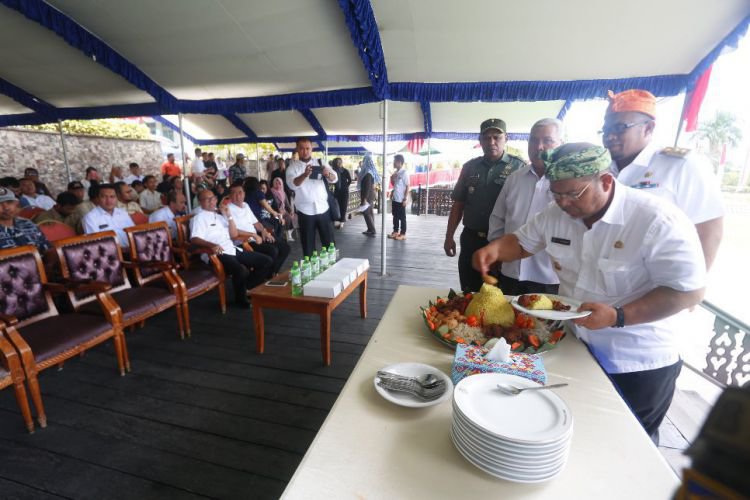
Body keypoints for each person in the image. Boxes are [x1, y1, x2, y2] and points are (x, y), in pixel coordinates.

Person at [473, 143, 706, 442]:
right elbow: (521, 243)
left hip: (636, 361)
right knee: (575, 436)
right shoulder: (556, 213)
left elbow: (688, 292)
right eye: (555, 194)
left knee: (628, 445)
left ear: (606, 181)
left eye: (573, 194)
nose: (563, 203)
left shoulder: (656, 219)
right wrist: (494, 250)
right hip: (577, 347)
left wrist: (618, 316)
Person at [602, 89, 724, 270]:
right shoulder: (602, 170)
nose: (610, 136)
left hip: (659, 278)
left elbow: (709, 230)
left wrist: (692, 283)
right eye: (606, 130)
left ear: (648, 128)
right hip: (608, 276)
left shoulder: (682, 165)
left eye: (620, 128)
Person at [444, 118, 526, 292]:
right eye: (486, 138)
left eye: (497, 137)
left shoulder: (519, 168)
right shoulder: (470, 167)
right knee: (469, 291)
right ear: (480, 140)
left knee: (499, 294)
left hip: (503, 242)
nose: (491, 142)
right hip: (471, 239)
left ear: (506, 138)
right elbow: (458, 203)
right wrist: (449, 236)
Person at [487, 118, 564, 295]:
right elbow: (498, 219)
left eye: (547, 140)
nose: (539, 147)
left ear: (561, 144)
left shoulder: (569, 183)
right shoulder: (514, 179)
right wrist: (496, 253)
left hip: (550, 277)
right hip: (511, 272)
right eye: (534, 140)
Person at [190, 189, 272, 308]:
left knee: (266, 261)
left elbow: (233, 234)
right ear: (200, 202)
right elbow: (194, 238)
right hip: (216, 253)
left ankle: (247, 288)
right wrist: (211, 245)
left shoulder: (219, 216)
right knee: (240, 270)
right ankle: (240, 299)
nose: (211, 201)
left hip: (232, 249)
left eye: (213, 198)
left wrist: (229, 216)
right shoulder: (198, 218)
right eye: (207, 199)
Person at [286, 137, 338, 257]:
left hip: (323, 208)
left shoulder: (320, 162)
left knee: (329, 244)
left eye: (307, 148)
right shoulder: (292, 167)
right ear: (297, 149)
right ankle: (310, 267)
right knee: (308, 246)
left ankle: (331, 265)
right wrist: (304, 175)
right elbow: (292, 184)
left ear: (312, 149)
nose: (305, 151)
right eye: (302, 148)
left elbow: (335, 178)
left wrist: (328, 174)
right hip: (305, 211)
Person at [226, 183, 290, 275]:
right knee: (272, 250)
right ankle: (267, 276)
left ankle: (272, 274)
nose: (238, 195)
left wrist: (264, 231)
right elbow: (232, 231)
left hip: (256, 237)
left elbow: (256, 223)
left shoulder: (245, 205)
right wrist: (254, 235)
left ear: (244, 193)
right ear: (230, 196)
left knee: (285, 248)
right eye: (234, 193)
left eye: (240, 192)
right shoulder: (228, 209)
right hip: (243, 241)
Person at [0, 187, 51, 253]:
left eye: (9, 202)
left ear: (16, 203)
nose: (6, 208)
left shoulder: (27, 223)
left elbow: (46, 249)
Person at [358, 154, 380, 237]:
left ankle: (372, 229)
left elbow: (367, 186)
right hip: (370, 194)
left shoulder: (367, 173)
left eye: (364, 161)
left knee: (366, 212)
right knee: (370, 211)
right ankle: (370, 229)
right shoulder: (369, 171)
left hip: (368, 195)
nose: (363, 162)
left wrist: (364, 199)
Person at [388, 154, 409, 240]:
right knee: (395, 216)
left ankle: (403, 234)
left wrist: (405, 199)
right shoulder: (396, 173)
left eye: (395, 161)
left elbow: (407, 186)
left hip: (401, 199)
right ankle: (395, 231)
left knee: (402, 217)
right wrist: (392, 179)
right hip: (395, 198)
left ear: (399, 162)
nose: (393, 163)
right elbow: (395, 185)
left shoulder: (404, 173)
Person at [270, 177, 297, 241]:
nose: (278, 185)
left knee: (292, 217)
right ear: (273, 184)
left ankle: (288, 234)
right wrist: (278, 211)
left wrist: (291, 211)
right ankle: (283, 235)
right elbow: (271, 205)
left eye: (279, 183)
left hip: (283, 211)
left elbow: (287, 204)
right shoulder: (271, 192)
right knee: (284, 219)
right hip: (275, 212)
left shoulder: (283, 192)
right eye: (276, 183)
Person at [330, 157, 351, 229]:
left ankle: (342, 220)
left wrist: (346, 186)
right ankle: (337, 220)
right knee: (337, 206)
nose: (338, 164)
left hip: (344, 191)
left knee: (344, 206)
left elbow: (350, 180)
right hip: (337, 191)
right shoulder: (334, 171)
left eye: (340, 162)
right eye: (337, 162)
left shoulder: (345, 171)